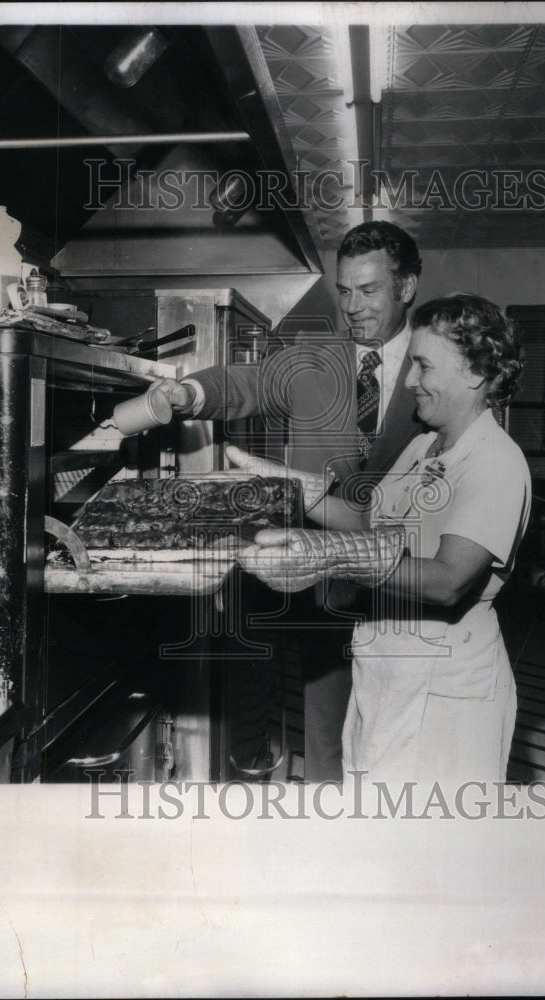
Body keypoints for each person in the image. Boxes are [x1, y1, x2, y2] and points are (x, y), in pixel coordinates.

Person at [151, 221, 427, 782]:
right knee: (326, 735)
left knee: (401, 745)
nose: (352, 306)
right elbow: (243, 383)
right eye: (344, 291)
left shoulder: (437, 363)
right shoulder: (313, 358)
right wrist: (187, 392)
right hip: (326, 588)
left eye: (369, 290)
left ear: (407, 287)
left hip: (409, 587)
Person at [237, 294, 531, 783]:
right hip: (384, 673)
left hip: (444, 689)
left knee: (429, 845)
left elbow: (447, 580)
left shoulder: (497, 462)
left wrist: (329, 556)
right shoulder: (423, 444)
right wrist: (286, 483)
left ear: (475, 374)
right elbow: (366, 519)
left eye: (422, 365)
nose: (409, 380)